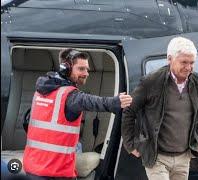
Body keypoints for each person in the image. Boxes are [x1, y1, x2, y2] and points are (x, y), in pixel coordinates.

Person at [23, 48, 132, 179]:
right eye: (81, 69)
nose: (86, 73)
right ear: (66, 68)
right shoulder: (69, 95)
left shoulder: (40, 92)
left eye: (87, 69)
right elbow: (90, 101)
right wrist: (114, 102)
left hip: (32, 169)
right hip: (55, 173)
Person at [121, 37, 198, 180]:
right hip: (157, 157)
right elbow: (129, 110)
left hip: (184, 157)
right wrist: (130, 144)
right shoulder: (151, 82)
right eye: (184, 62)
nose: (188, 67)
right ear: (169, 59)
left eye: (192, 63)